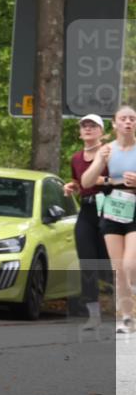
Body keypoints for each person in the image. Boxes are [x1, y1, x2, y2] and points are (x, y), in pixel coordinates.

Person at [81, 105, 136, 334]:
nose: (128, 122)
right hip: (113, 208)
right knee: (118, 269)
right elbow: (86, 182)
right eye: (123, 119)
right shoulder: (107, 150)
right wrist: (99, 163)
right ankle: (126, 318)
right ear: (114, 124)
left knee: (129, 265)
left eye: (132, 119)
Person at [63, 114, 111, 331]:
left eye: (93, 126)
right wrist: (71, 186)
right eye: (84, 126)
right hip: (87, 210)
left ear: (101, 131)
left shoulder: (111, 153)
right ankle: (94, 316)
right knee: (87, 262)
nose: (88, 129)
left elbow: (126, 179)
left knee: (111, 264)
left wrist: (105, 181)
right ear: (80, 132)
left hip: (111, 209)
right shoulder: (76, 158)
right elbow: (78, 180)